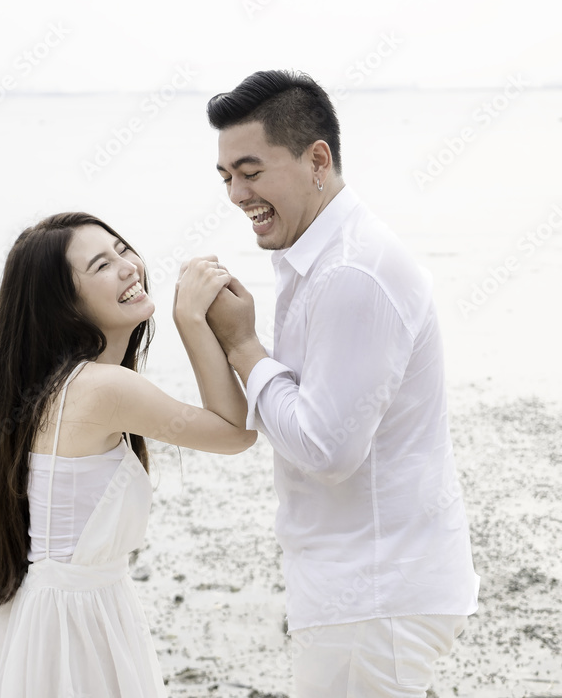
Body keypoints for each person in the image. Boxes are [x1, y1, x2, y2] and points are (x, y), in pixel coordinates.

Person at [199, 69, 480, 697]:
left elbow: (328, 450)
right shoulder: (315, 258)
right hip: (361, 588)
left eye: (251, 171)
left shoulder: (351, 271)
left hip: (376, 593)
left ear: (317, 159)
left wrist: (244, 347)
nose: (237, 194)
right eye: (225, 178)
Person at [0, 211, 257, 697]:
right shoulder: (102, 388)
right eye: (100, 265)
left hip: (53, 614)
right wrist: (193, 319)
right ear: (63, 304)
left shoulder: (55, 388)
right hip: (75, 622)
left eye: (122, 250)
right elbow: (235, 430)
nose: (128, 267)